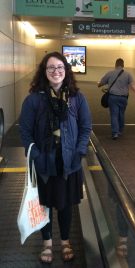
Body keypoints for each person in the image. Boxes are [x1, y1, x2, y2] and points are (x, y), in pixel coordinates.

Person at [19, 51, 92, 263]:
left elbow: (85, 127)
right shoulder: (34, 100)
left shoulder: (77, 98)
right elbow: (25, 132)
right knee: (44, 204)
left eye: (60, 67)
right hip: (44, 161)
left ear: (66, 71)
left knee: (66, 204)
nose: (56, 71)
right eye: (50, 68)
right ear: (44, 72)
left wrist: (80, 152)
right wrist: (36, 155)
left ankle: (66, 242)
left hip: (69, 161)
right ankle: (47, 243)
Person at [98, 58, 135, 139]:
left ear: (115, 65)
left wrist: (99, 84)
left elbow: (101, 82)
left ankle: (115, 133)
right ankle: (120, 130)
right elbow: (133, 85)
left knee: (114, 115)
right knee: (121, 114)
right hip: (123, 98)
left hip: (113, 98)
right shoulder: (128, 74)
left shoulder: (110, 73)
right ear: (123, 65)